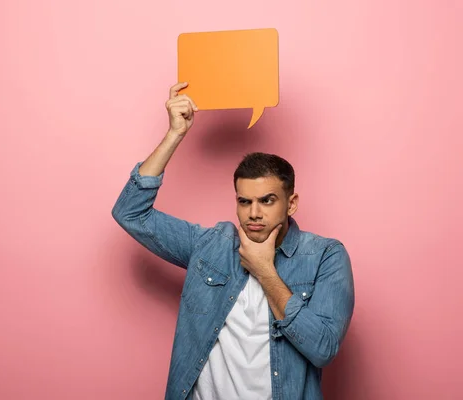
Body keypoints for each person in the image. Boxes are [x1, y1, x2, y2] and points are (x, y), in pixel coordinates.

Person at [111, 82, 355, 400]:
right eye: (244, 201)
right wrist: (175, 135)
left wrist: (266, 272)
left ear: (291, 203)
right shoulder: (212, 244)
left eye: (267, 201)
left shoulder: (325, 256)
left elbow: (323, 348)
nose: (254, 214)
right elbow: (130, 213)